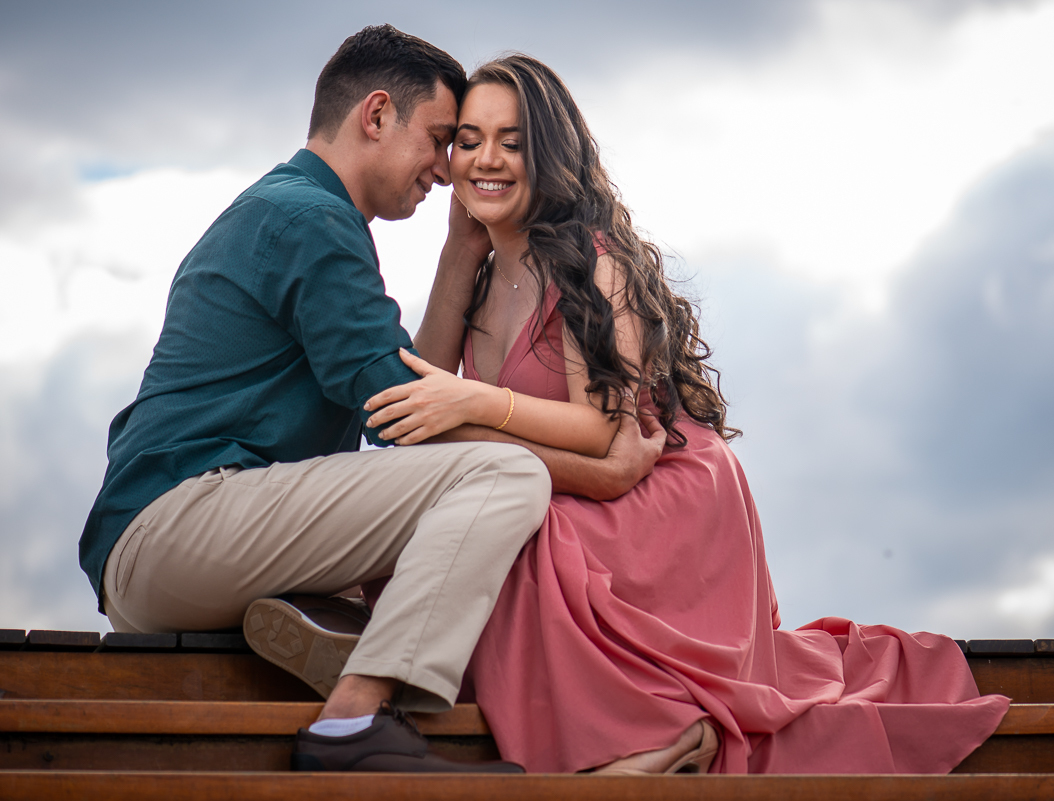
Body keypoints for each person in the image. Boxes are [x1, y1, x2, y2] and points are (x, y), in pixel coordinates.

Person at [360, 54, 1012, 774]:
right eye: (470, 140)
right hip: (567, 475)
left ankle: (658, 731)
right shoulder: (480, 273)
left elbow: (604, 428)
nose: (487, 159)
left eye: (512, 142)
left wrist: (475, 402)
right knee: (466, 517)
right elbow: (421, 393)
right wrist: (456, 251)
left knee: (525, 538)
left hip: (664, 491)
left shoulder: (590, 260)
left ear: (549, 154)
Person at [78, 28, 664, 774]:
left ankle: (336, 634)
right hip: (178, 527)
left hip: (177, 542)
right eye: (442, 139)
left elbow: (410, 392)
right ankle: (352, 721)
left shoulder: (293, 209)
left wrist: (459, 249)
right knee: (503, 477)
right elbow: (408, 417)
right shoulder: (312, 223)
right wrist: (604, 472)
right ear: (377, 114)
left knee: (435, 546)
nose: (447, 171)